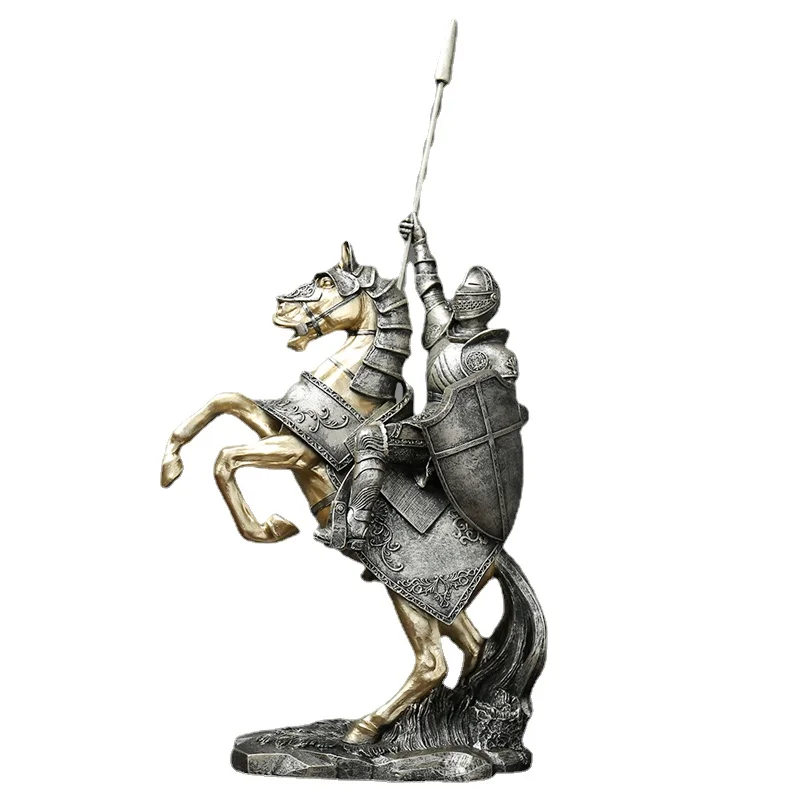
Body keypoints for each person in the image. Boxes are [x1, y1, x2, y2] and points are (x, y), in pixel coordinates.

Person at [346, 214, 519, 543]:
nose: (461, 300)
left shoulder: (498, 356)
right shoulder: (442, 328)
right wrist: (420, 243)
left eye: (470, 297)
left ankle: (358, 529)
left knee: (369, 438)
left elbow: (501, 425)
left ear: (485, 305)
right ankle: (358, 525)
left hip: (454, 447)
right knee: (367, 436)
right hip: (425, 430)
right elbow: (429, 285)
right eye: (461, 294)